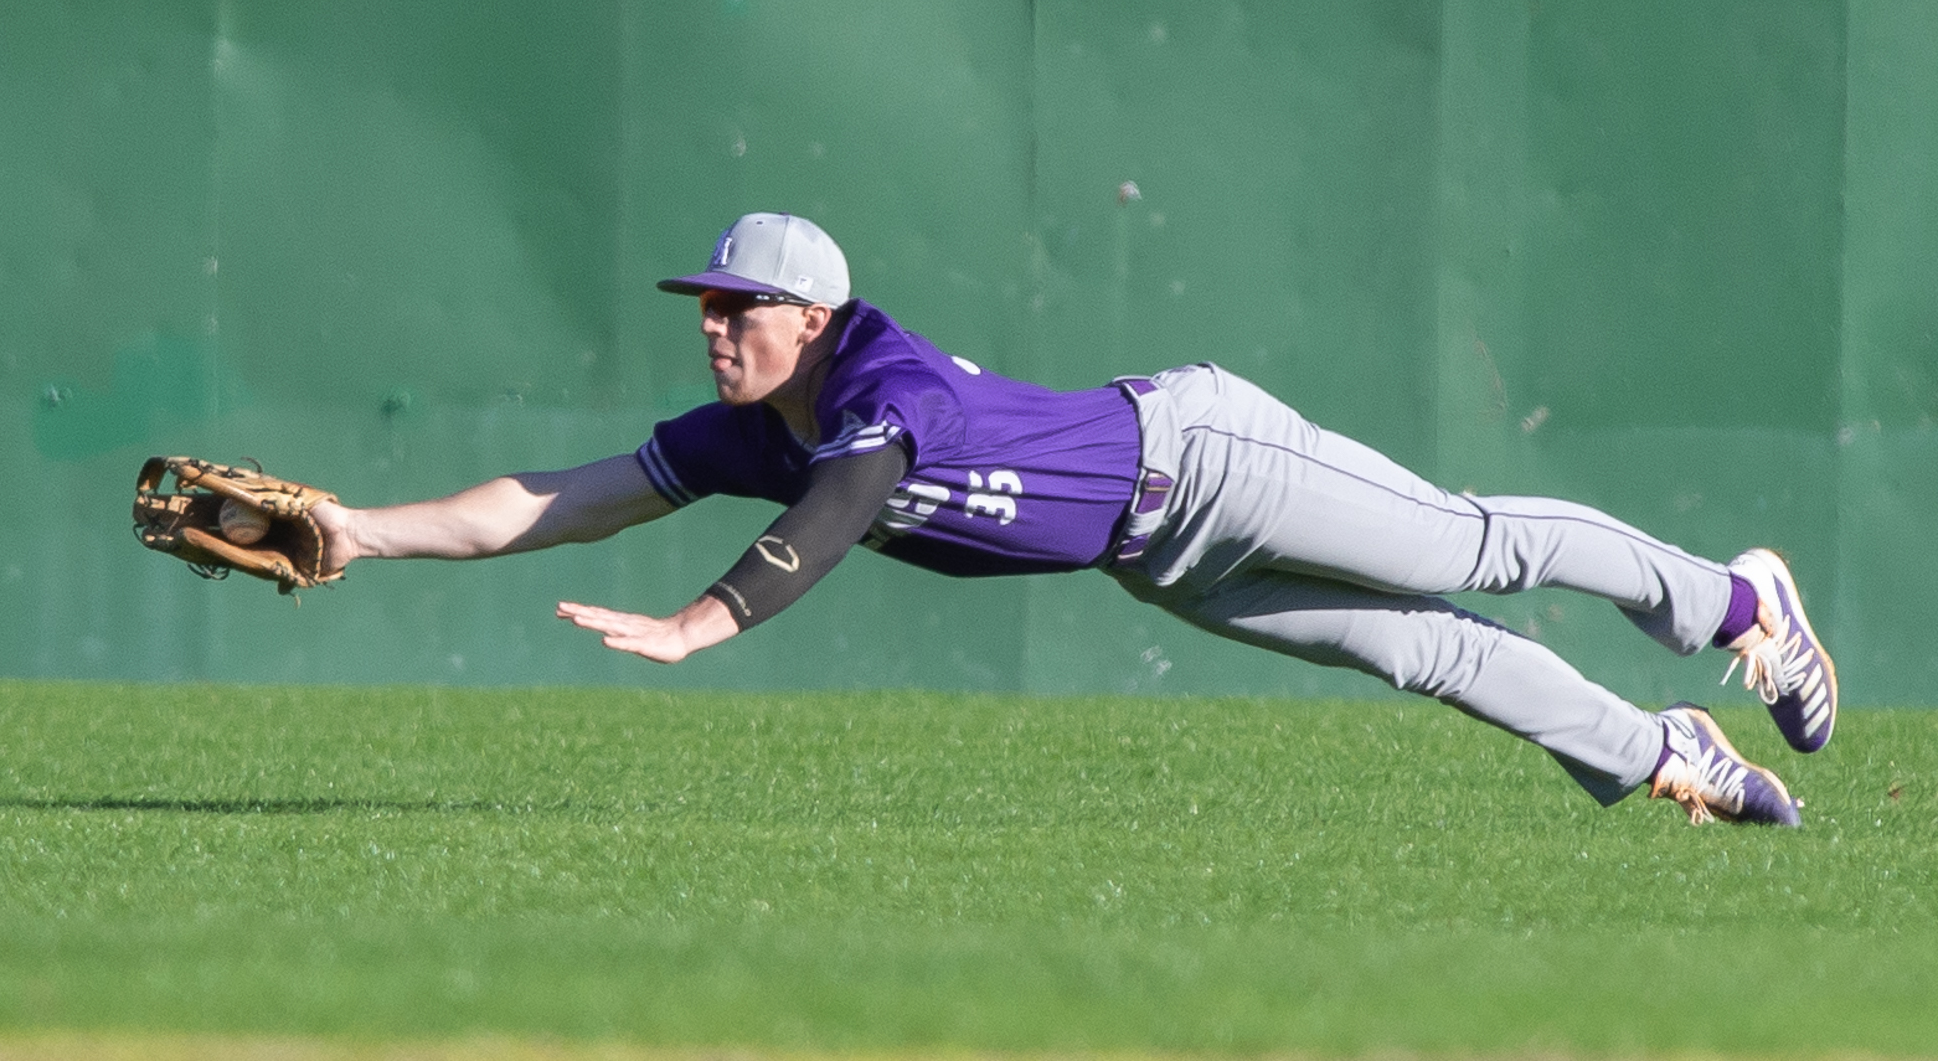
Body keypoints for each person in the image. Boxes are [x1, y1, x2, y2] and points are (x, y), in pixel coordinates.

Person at [312, 212, 1837, 828]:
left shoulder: (873, 379)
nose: (715, 326)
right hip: (1153, 554)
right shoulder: (743, 432)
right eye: (706, 307)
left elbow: (847, 505)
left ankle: (1732, 605)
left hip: (1209, 457)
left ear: (814, 312)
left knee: (1462, 548)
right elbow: (561, 499)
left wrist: (708, 619)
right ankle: (1659, 753)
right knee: (1421, 657)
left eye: (742, 307)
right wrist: (361, 532)